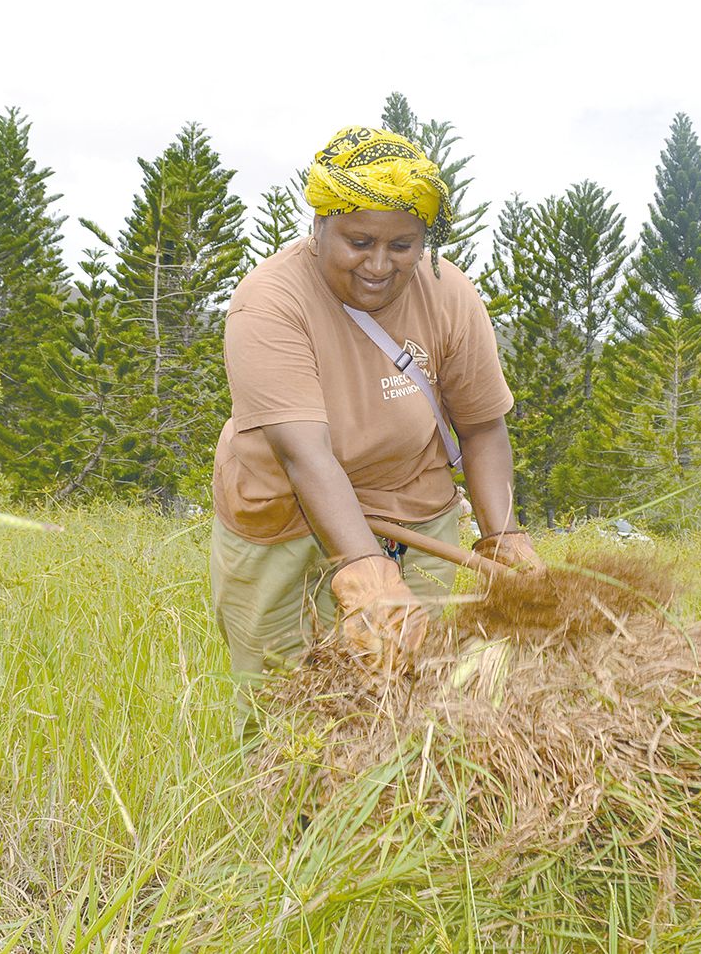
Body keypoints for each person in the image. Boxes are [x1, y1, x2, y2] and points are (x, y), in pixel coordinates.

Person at [209, 125, 541, 687]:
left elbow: (482, 428)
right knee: (280, 700)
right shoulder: (268, 304)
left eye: (401, 246)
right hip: (288, 519)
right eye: (359, 242)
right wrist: (366, 573)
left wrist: (503, 536)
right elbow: (304, 456)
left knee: (403, 694)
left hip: (416, 509)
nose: (379, 265)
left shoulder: (448, 295)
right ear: (318, 228)